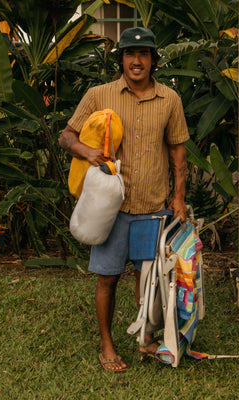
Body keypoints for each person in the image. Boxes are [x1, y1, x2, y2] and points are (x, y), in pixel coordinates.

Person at [59, 27, 190, 371]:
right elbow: (66, 135)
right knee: (108, 277)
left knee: (149, 280)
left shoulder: (169, 99)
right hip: (110, 209)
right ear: (121, 60)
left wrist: (179, 196)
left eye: (144, 54)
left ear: (152, 61)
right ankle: (107, 344)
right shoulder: (99, 94)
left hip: (153, 207)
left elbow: (178, 151)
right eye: (130, 55)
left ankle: (146, 337)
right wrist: (85, 150)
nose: (137, 61)